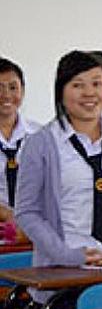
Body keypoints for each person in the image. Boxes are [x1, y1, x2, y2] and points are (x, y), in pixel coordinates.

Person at [15, 51, 102, 304]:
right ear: (61, 92)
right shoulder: (40, 144)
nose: (89, 93)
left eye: (97, 83)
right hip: (62, 276)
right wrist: (68, 255)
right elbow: (27, 212)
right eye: (77, 85)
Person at [0, 57, 40, 223]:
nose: (6, 95)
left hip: (33, 232)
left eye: (13, 87)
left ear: (22, 91)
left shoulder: (40, 136)